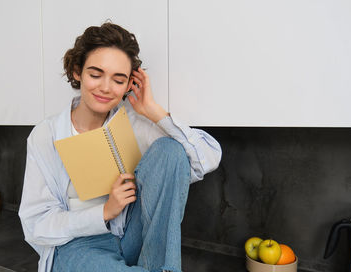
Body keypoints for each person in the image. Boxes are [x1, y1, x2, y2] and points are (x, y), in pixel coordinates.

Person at [19, 22, 222, 272]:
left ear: (129, 85)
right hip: (78, 246)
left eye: (118, 80)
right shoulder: (45, 135)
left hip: (134, 237)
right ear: (76, 72)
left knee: (171, 151)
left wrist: (153, 111)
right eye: (95, 75)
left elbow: (207, 159)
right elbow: (35, 224)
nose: (105, 88)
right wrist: (104, 211)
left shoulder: (135, 124)